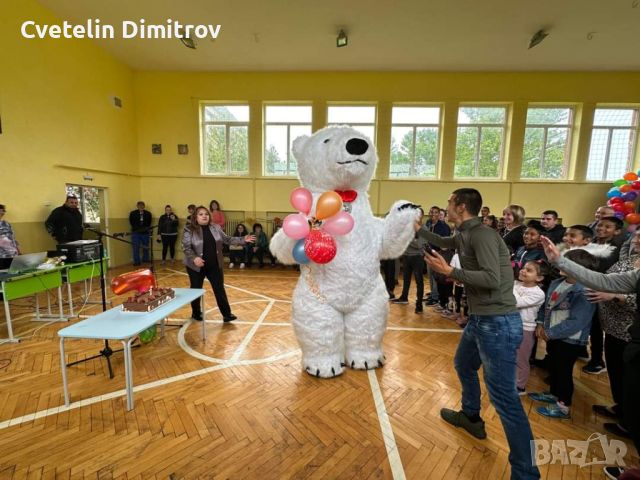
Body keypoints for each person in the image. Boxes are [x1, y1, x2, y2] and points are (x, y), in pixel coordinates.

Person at [419, 188, 540, 480]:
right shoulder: (464, 232)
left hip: (497, 323)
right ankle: (471, 417)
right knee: (463, 364)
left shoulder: (483, 235)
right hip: (481, 320)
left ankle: (526, 473)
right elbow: (447, 240)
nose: (446, 206)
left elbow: (492, 278)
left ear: (460, 206)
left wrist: (450, 270)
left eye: (449, 202)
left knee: (505, 400)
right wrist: (418, 229)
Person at [540, 235, 640, 478]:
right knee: (634, 407)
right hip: (634, 345)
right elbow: (603, 280)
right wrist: (560, 260)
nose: (636, 239)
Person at [529, 249, 598, 419]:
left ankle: (563, 406)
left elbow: (577, 322)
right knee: (554, 367)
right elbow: (546, 306)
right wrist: (540, 323)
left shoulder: (584, 292)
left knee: (564, 371)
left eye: (565, 262)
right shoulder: (557, 282)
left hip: (569, 340)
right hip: (553, 336)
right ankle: (554, 394)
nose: (560, 264)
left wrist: (550, 332)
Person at [585, 230, 640, 441]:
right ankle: (621, 408)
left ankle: (630, 422)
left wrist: (615, 296)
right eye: (636, 237)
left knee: (631, 380)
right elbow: (606, 278)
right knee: (616, 372)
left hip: (629, 332)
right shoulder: (631, 260)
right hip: (612, 328)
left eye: (639, 239)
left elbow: (635, 299)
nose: (635, 241)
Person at [182, 206, 254, 322]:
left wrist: (242, 239)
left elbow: (227, 239)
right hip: (195, 266)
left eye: (206, 214)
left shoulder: (215, 227)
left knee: (219, 289)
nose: (204, 216)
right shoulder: (189, 229)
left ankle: (227, 314)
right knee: (196, 290)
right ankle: (196, 313)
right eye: (201, 214)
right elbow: (186, 247)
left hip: (214, 264)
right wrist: (194, 258)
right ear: (195, 217)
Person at [514, 260, 547, 395]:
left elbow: (516, 302)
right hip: (511, 324)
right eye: (523, 268)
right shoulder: (515, 284)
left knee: (521, 358)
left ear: (539, 278)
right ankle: (511, 379)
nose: (523, 271)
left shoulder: (539, 293)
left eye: (529, 270)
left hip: (525, 329)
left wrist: (509, 287)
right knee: (511, 355)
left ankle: (520, 386)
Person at [392, 208, 426, 313]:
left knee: (419, 281)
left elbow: (419, 245)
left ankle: (419, 304)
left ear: (422, 216)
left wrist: (408, 239)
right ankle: (404, 297)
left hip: (418, 258)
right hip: (407, 257)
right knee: (406, 280)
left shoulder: (424, 228)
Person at [423, 206, 451, 306]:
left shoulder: (443, 226)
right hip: (429, 253)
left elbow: (445, 243)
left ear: (439, 214)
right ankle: (433, 295)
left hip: (438, 254)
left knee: (436, 277)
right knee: (430, 277)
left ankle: (436, 298)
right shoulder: (428, 224)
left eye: (435, 212)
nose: (433, 214)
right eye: (431, 212)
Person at [129, 201, 152, 266]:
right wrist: (137, 229)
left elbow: (149, 222)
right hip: (136, 233)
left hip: (145, 233)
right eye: (139, 206)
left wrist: (145, 229)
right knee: (136, 247)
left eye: (142, 206)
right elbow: (131, 222)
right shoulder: (133, 213)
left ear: (144, 206)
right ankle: (137, 261)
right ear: (137, 206)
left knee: (145, 246)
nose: (141, 207)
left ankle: (145, 259)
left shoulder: (148, 213)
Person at [0, 204, 21, 269]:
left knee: (14, 273)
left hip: (12, 254)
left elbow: (12, 238)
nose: (2, 212)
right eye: (0, 210)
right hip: (1, 256)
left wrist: (18, 250)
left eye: (3, 210)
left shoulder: (6, 223)